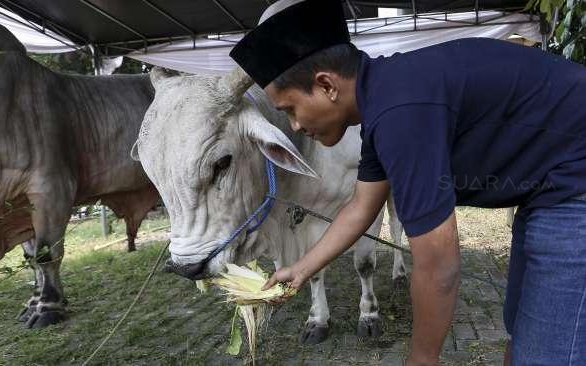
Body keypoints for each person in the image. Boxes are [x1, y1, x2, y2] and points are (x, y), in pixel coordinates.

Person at [229, 0, 586, 365]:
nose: (295, 126)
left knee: (550, 352)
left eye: (290, 109)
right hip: (550, 191)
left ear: (326, 85)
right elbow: (361, 206)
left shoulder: (400, 114)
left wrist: (422, 357)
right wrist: (302, 268)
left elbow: (438, 262)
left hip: (574, 189)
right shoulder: (384, 101)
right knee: (523, 327)